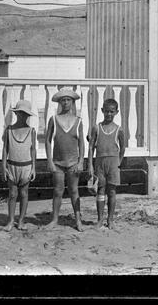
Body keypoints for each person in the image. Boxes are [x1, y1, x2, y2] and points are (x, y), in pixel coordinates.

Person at [45, 88, 86, 231]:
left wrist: (81, 162)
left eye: (68, 100)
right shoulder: (54, 120)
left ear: (72, 102)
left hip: (73, 163)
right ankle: (54, 219)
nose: (66, 102)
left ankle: (78, 220)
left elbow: (81, 143)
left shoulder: (78, 121)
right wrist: (49, 161)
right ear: (59, 102)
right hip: (58, 163)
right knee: (58, 191)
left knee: (74, 191)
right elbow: (48, 141)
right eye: (63, 100)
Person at [87, 98, 127, 229]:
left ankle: (110, 220)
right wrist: (90, 165)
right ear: (102, 111)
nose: (109, 114)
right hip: (100, 163)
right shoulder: (97, 128)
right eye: (106, 111)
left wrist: (119, 162)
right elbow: (91, 147)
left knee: (112, 192)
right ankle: (100, 220)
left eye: (112, 111)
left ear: (116, 112)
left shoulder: (119, 130)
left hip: (113, 163)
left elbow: (122, 148)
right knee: (100, 190)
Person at [1, 100, 38, 231]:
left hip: (26, 167)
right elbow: (5, 148)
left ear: (28, 115)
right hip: (12, 166)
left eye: (25, 114)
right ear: (16, 114)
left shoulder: (31, 131)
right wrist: (3, 166)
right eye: (20, 113)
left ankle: (21, 221)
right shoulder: (9, 130)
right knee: (12, 194)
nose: (23, 116)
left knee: (24, 193)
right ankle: (11, 220)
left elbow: (33, 150)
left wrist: (33, 168)